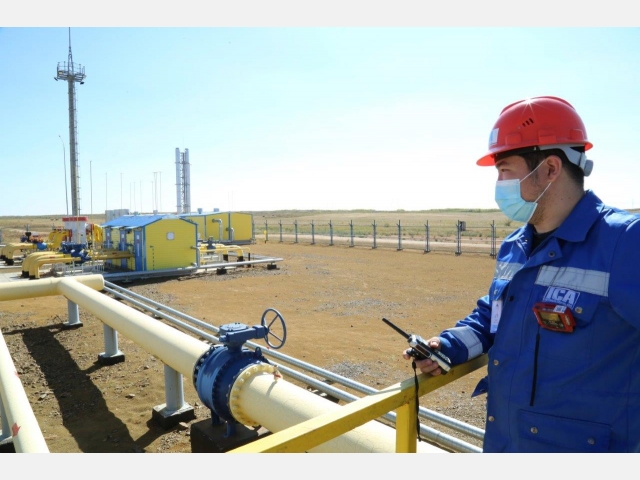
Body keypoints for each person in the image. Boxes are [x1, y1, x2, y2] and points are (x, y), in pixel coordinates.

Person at [404, 96, 640, 453]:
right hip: (507, 443)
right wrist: (447, 346)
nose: (499, 184)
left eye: (505, 171)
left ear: (550, 169)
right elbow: (493, 318)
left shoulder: (625, 242)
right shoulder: (515, 245)